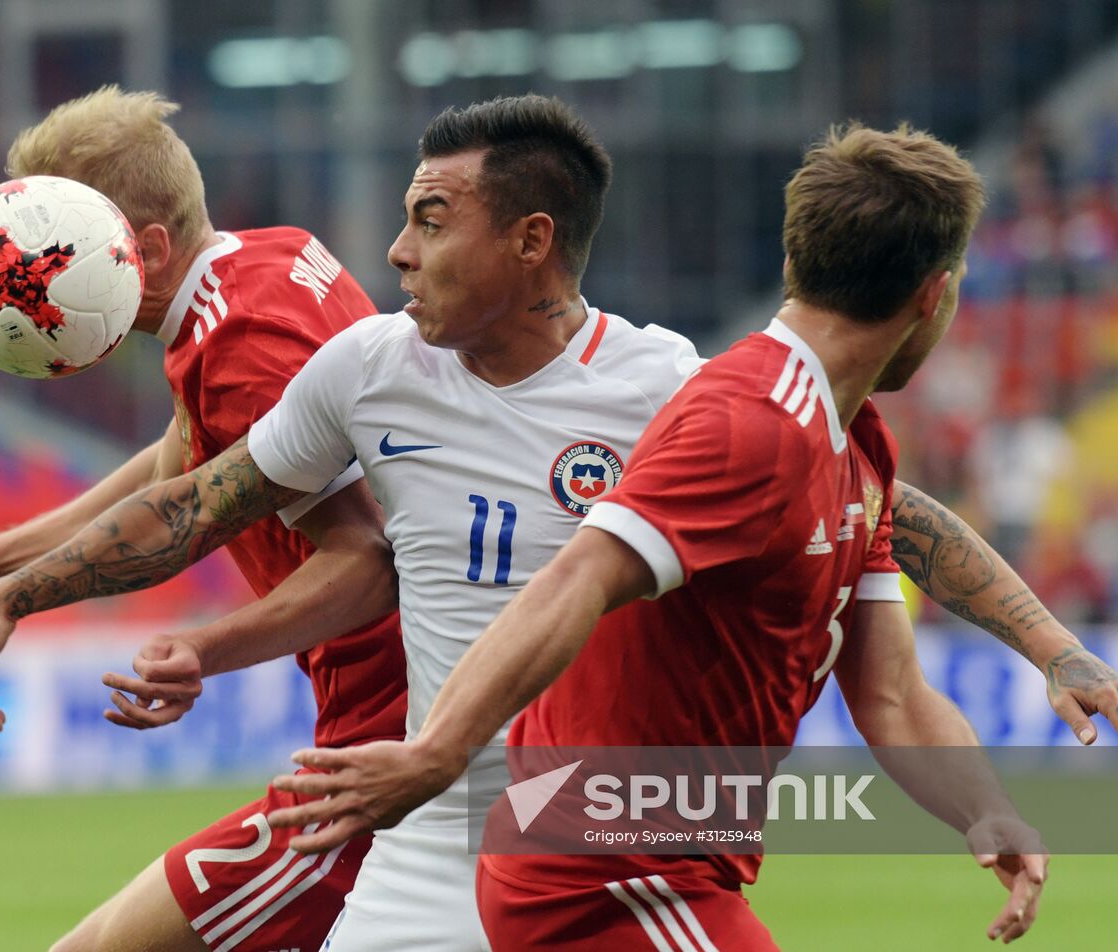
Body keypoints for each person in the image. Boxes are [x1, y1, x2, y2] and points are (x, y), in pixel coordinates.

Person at [0, 97, 1118, 949]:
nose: (394, 251)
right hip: (434, 824)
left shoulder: (675, 390)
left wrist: (1046, 654)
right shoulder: (365, 369)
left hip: (579, 816)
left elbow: (874, 519)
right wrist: (11, 587)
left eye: (430, 220)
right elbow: (194, 498)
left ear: (530, 241)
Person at [259, 123, 1054, 949]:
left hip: (649, 858)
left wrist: (984, 807)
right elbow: (576, 577)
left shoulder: (855, 446)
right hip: (601, 869)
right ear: (936, 293)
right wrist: (436, 754)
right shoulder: (750, 420)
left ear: (794, 264)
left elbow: (891, 693)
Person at [0, 85, 411, 952]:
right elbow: (176, 474)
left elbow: (364, 558)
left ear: (151, 249)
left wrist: (201, 648)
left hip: (390, 753)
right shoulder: (260, 270)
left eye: (55, 259)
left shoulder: (240, 340)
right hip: (385, 733)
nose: (32, 285)